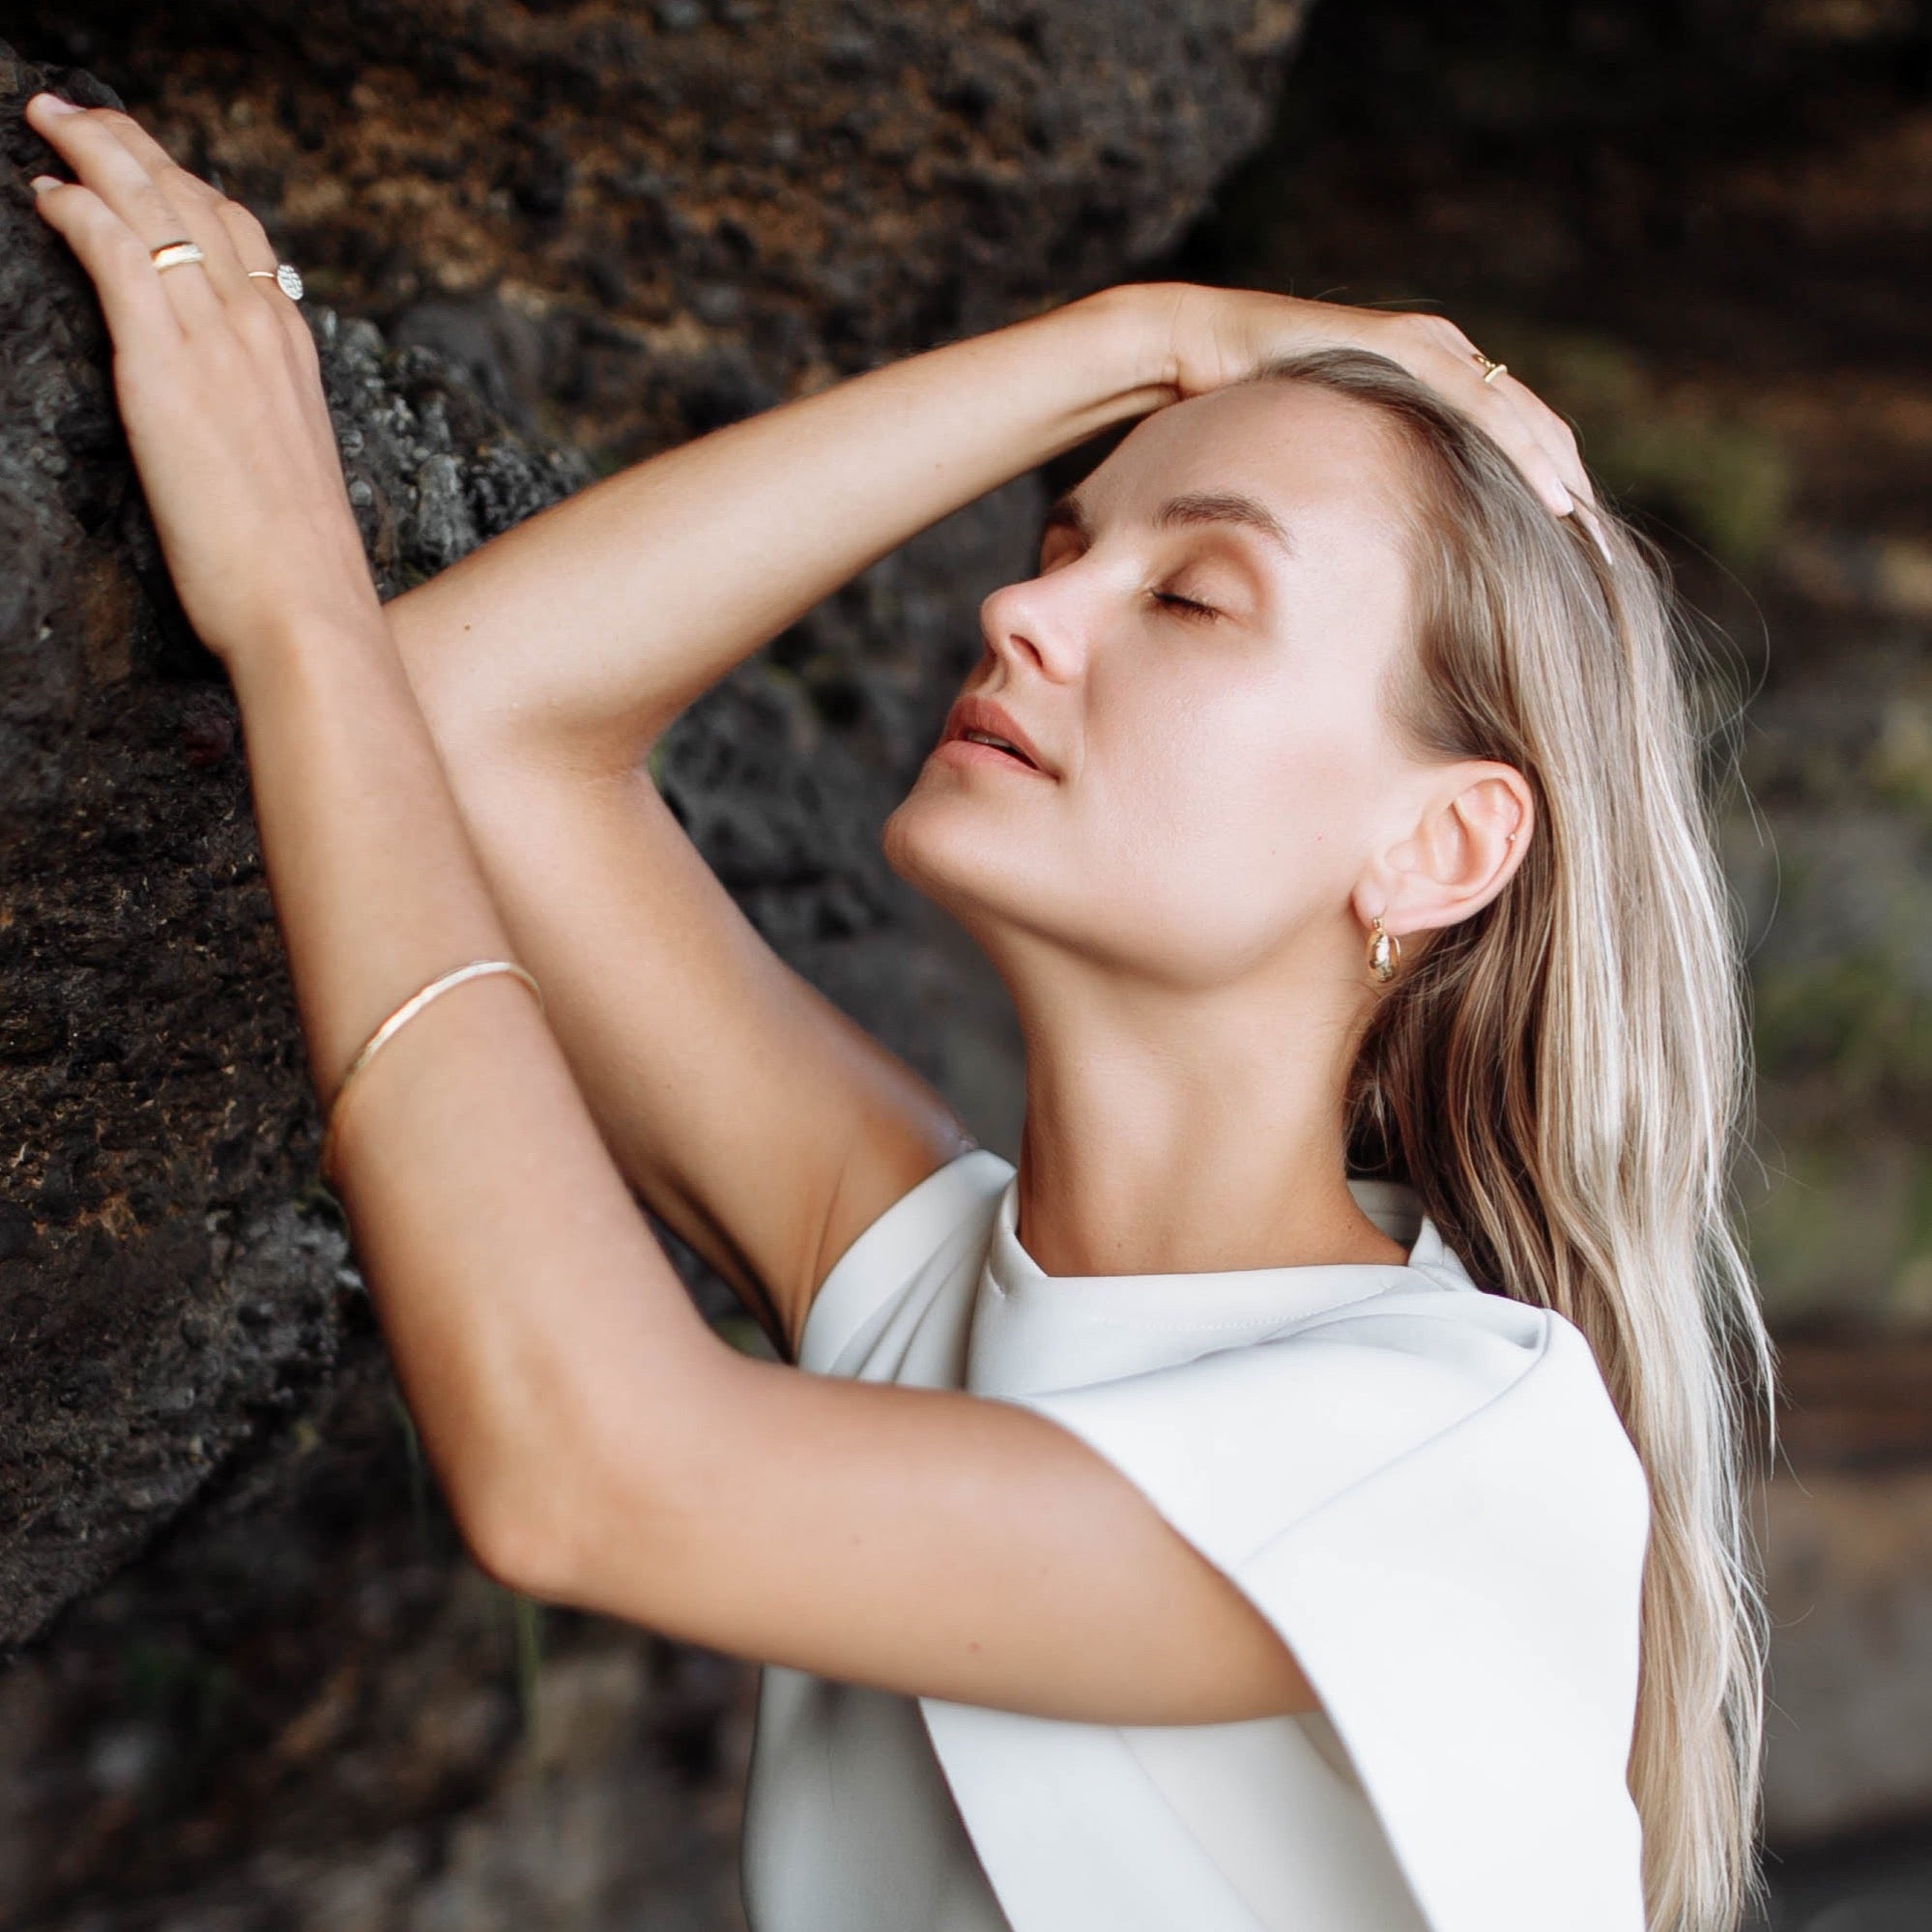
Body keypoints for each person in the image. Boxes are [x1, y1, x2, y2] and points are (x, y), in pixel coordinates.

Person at [24, 87, 1775, 1932]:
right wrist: (1142, 337)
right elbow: (463, 727)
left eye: (1191, 596)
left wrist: (297, 594)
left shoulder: (1453, 1446)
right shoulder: (934, 1281)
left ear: (1438, 846)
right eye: (1061, 542)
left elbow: (593, 1470)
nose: (1030, 614)